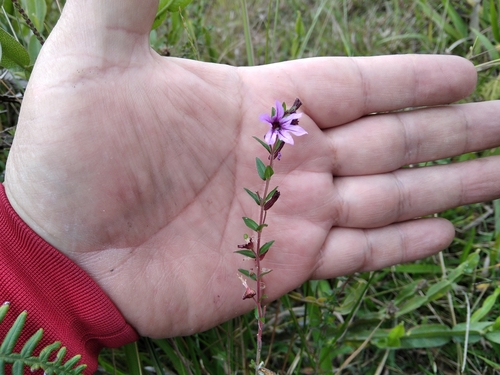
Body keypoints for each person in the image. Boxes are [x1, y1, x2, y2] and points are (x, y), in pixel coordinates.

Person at [2, 0, 500, 374]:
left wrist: (40, 265)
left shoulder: (276, 138)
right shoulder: (271, 138)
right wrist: (42, 267)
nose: (281, 128)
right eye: (279, 127)